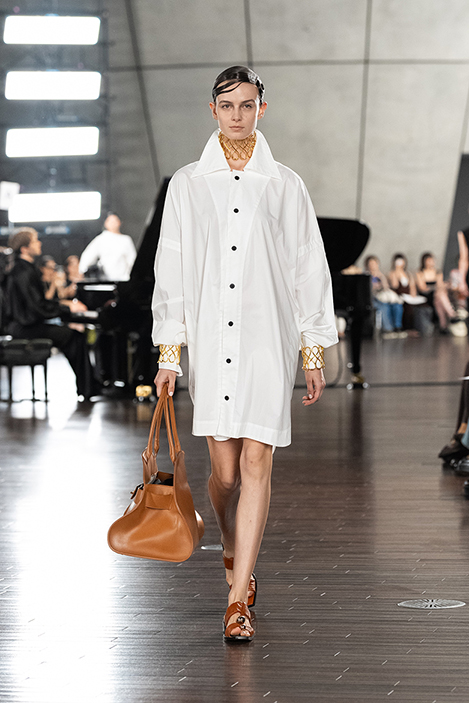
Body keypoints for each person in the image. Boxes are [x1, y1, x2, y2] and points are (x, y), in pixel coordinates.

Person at [152, 66, 338, 642]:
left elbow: (308, 266)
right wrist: (169, 351)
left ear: (263, 108)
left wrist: (312, 350)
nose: (238, 115)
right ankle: (231, 540)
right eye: (228, 105)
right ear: (213, 110)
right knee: (225, 475)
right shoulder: (187, 184)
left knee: (258, 460)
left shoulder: (285, 184)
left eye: (248, 104)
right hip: (212, 340)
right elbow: (171, 268)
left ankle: (238, 600)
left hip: (265, 338)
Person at [4, 228, 100, 400]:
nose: (39, 243)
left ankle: (89, 385)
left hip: (25, 325)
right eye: (35, 241)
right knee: (73, 336)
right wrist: (67, 308)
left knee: (73, 336)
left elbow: (38, 304)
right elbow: (37, 307)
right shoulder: (23, 271)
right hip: (23, 328)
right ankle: (88, 387)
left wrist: (65, 306)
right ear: (25, 248)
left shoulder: (23, 268)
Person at [79, 212, 137, 281]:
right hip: (105, 279)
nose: (113, 223)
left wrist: (130, 276)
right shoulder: (101, 239)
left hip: (122, 278)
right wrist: (82, 271)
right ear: (105, 223)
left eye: (115, 220)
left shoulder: (126, 240)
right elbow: (88, 255)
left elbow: (132, 258)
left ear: (119, 222)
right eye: (110, 221)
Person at [416, 252, 456, 334]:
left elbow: (440, 285)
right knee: (440, 295)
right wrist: (436, 287)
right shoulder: (420, 273)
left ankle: (443, 325)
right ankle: (451, 314)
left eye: (432, 260)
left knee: (439, 297)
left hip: (437, 295)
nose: (431, 262)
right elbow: (422, 288)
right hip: (426, 296)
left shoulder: (437, 272)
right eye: (429, 261)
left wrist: (445, 285)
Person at [364, 255, 404, 338]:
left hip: (383, 297)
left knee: (397, 306)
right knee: (383, 306)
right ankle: (387, 329)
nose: (373, 266)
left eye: (375, 264)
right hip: (373, 298)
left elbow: (386, 288)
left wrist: (381, 277)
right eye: (371, 264)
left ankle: (397, 327)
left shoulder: (381, 275)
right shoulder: (366, 276)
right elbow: (368, 290)